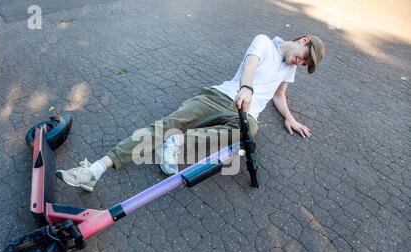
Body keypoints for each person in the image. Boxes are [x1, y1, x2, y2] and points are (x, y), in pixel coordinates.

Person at [55, 34, 325, 192]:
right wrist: (246, 88)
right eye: (303, 57)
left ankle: (179, 142)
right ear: (302, 41)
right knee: (167, 124)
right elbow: (251, 66)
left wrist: (290, 118)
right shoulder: (265, 41)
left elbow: (279, 95)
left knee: (250, 130)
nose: (299, 63)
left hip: (245, 115)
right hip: (220, 97)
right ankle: (95, 170)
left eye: (304, 64)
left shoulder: (289, 69)